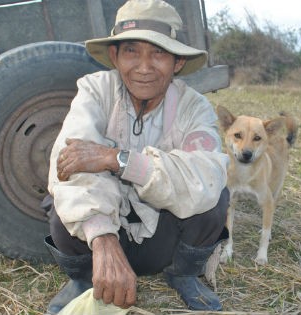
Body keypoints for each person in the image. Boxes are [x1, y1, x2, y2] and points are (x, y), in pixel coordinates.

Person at [43, 0, 229, 313]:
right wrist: (102, 239)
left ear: (177, 63)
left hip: (164, 240)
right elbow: (73, 155)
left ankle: (184, 274)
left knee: (215, 197)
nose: (144, 67)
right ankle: (85, 278)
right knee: (64, 187)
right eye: (131, 51)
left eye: (158, 53)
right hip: (100, 239)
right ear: (114, 56)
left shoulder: (194, 107)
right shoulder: (95, 90)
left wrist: (119, 159)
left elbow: (205, 175)